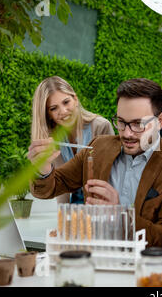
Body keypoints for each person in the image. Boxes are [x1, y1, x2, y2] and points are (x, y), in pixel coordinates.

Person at [28, 78, 162, 257]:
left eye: (138, 124)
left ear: (160, 120)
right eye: (121, 122)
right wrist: (43, 168)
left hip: (144, 271)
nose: (126, 133)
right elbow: (53, 186)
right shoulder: (98, 148)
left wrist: (120, 215)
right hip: (94, 263)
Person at [31, 76, 114, 204]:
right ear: (48, 114)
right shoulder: (50, 140)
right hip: (69, 212)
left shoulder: (101, 126)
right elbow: (49, 187)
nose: (63, 111)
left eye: (66, 102)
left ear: (75, 99)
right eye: (53, 108)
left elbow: (113, 175)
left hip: (98, 209)